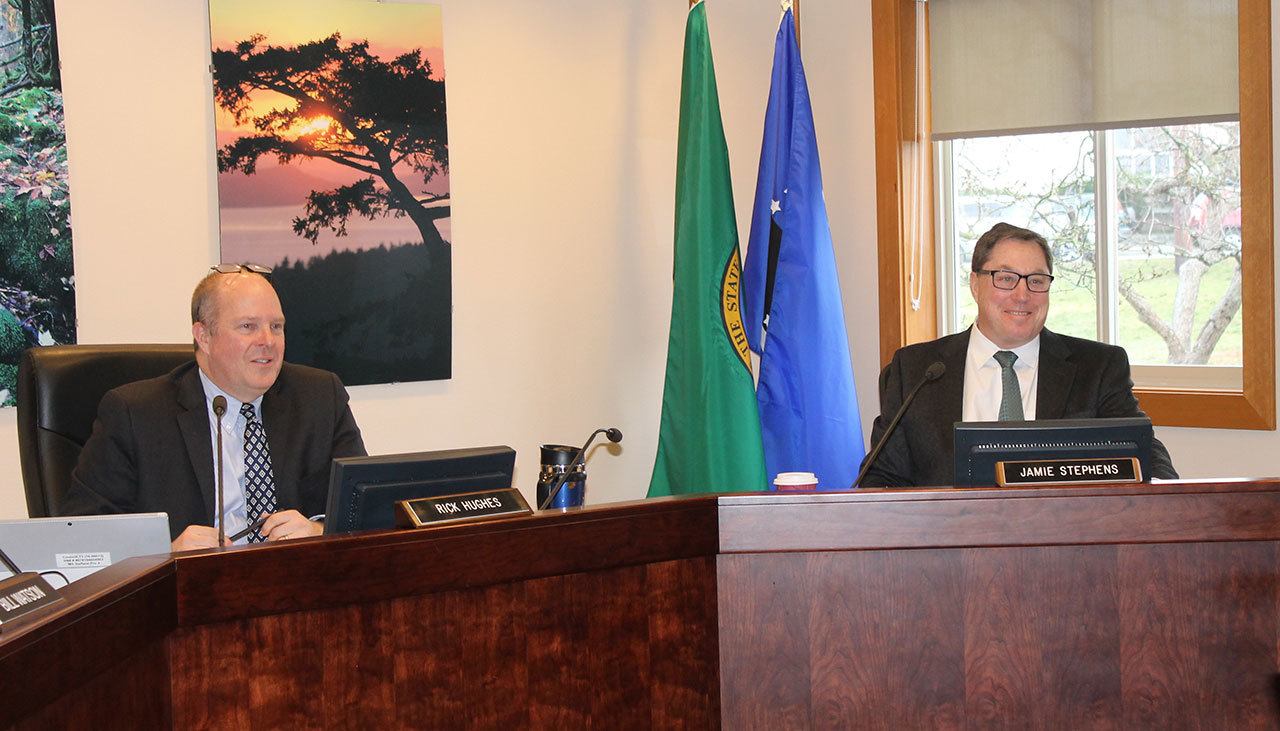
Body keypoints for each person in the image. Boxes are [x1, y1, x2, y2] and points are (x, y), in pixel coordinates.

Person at [64, 265, 366, 550]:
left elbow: (369, 508)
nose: (268, 341)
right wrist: (164, 554)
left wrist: (321, 531)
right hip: (190, 595)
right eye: (248, 326)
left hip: (298, 587)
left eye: (276, 326)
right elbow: (81, 537)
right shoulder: (134, 414)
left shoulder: (320, 396)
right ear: (204, 337)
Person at [860, 222, 1177, 487]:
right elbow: (882, 477)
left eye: (1036, 281)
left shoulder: (1097, 368)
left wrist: (1165, 497)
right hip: (946, 551)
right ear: (975, 284)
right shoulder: (917, 370)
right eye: (1006, 278)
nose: (1023, 295)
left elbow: (1143, 451)